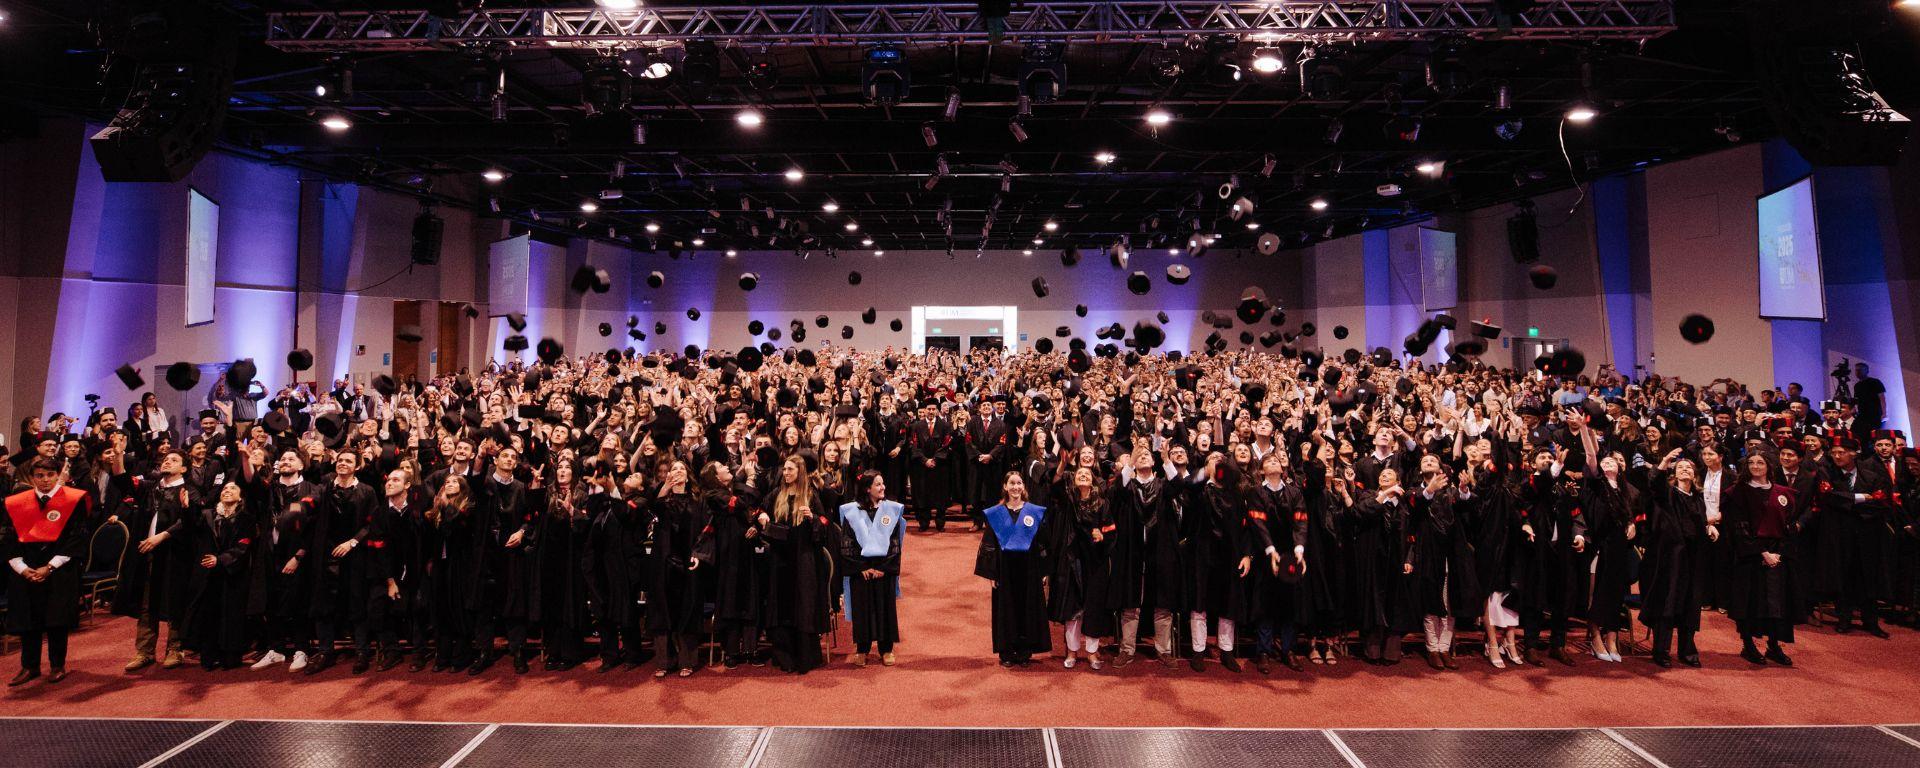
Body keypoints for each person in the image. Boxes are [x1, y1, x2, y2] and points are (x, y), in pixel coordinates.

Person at [3, 458, 90, 685]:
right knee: (28, 619)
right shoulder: (17, 502)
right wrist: (22, 569)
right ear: (32, 478)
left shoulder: (73, 500)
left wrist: (50, 566)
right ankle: (29, 666)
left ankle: (57, 665)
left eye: (50, 475)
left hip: (58, 568)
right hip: (27, 568)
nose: (45, 480)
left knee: (56, 619)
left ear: (58, 475)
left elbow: (77, 538)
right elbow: (10, 539)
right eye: (39, 476)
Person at [1725, 451, 1799, 665]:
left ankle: (1774, 646)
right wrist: (1763, 553)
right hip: (1750, 555)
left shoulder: (1783, 493)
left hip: (1778, 555)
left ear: (1769, 466)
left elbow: (1789, 526)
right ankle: (1748, 645)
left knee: (1777, 602)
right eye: (1751, 462)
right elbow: (1739, 528)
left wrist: (1779, 553)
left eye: (1760, 462)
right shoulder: (1736, 493)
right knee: (1750, 602)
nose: (1755, 466)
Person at [975, 471, 1053, 667]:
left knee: (1028, 608)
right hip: (1005, 570)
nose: (1016, 487)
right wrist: (992, 573)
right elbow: (990, 544)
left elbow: (1042, 542)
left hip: (1030, 568)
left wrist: (1043, 571)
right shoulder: (997, 513)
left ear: (1023, 486)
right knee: (1006, 609)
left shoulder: (1034, 512)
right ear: (1005, 487)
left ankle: (1025, 651)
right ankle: (1007, 652)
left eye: (1019, 483)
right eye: (1012, 483)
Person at [1639, 452, 1709, 667]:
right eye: (1680, 468)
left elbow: (1699, 524)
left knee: (1690, 603)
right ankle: (1661, 650)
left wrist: (1709, 528)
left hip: (1693, 558)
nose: (1685, 470)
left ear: (1695, 475)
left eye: (1689, 468)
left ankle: (1687, 651)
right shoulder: (1667, 494)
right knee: (1668, 602)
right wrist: (1664, 462)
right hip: (1670, 558)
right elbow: (1654, 483)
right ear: (1674, 474)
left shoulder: (1698, 499)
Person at [837, 470, 904, 667]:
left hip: (884, 570)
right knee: (862, 611)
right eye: (878, 484)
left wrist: (883, 568)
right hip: (861, 572)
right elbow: (847, 543)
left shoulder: (891, 510)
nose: (883, 488)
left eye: (883, 484)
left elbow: (895, 543)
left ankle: (886, 649)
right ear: (867, 489)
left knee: (885, 609)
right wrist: (862, 568)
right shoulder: (852, 512)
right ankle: (862, 649)